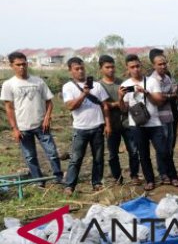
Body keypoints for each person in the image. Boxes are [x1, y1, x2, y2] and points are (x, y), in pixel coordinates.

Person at [1, 51, 64, 185]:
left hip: (41, 125)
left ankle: (59, 177)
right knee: (30, 157)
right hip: (23, 127)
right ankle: (38, 181)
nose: (22, 67)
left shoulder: (38, 81)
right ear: (11, 65)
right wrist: (14, 128)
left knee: (52, 152)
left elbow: (49, 101)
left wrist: (47, 117)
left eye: (24, 64)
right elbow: (9, 108)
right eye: (18, 65)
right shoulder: (9, 84)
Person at [61, 57, 112, 194]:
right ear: (70, 70)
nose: (80, 71)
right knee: (76, 159)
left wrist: (107, 124)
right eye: (76, 69)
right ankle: (69, 186)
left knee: (98, 158)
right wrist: (84, 94)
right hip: (80, 129)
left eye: (82, 68)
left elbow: (105, 106)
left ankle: (97, 183)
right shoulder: (68, 87)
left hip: (98, 127)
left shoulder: (97, 85)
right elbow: (71, 106)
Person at [118, 53, 168, 191]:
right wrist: (121, 98)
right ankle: (150, 180)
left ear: (141, 66)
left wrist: (146, 92)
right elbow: (123, 109)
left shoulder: (151, 81)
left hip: (154, 123)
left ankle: (168, 175)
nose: (135, 69)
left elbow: (158, 101)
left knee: (163, 151)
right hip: (137, 125)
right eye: (132, 67)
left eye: (137, 66)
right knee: (143, 154)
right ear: (127, 69)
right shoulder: (125, 85)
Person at [98, 54, 140, 184]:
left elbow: (129, 102)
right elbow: (100, 105)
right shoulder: (98, 86)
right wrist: (115, 104)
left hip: (127, 122)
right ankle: (117, 178)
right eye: (107, 67)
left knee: (133, 151)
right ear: (101, 69)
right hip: (110, 124)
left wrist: (112, 104)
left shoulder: (123, 83)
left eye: (112, 67)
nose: (111, 70)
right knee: (112, 154)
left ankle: (134, 176)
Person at [149, 53, 178, 186]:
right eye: (160, 64)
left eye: (164, 63)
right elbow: (160, 99)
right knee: (162, 148)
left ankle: (169, 172)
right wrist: (169, 96)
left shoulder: (167, 77)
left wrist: (166, 96)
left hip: (169, 117)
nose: (163, 66)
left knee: (169, 146)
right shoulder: (152, 80)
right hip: (158, 118)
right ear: (154, 65)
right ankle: (163, 173)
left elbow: (174, 93)